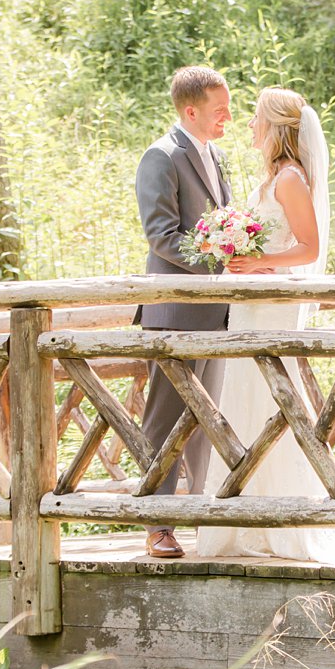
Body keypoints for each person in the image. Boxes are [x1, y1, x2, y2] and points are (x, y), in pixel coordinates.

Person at [198, 87, 335, 561]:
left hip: (272, 304)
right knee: (243, 396)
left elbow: (308, 249)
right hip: (252, 302)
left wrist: (258, 261)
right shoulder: (273, 179)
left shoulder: (290, 179)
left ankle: (281, 515)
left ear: (275, 128)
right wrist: (235, 252)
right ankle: (243, 510)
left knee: (271, 399)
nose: (249, 126)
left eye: (255, 120)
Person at [133, 66, 233, 558]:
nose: (228, 119)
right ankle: (158, 525)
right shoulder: (161, 156)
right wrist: (220, 262)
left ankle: (202, 516)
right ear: (190, 111)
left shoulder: (217, 156)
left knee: (207, 420)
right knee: (166, 422)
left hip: (217, 313)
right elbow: (161, 235)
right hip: (174, 311)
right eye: (220, 111)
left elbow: (227, 221)